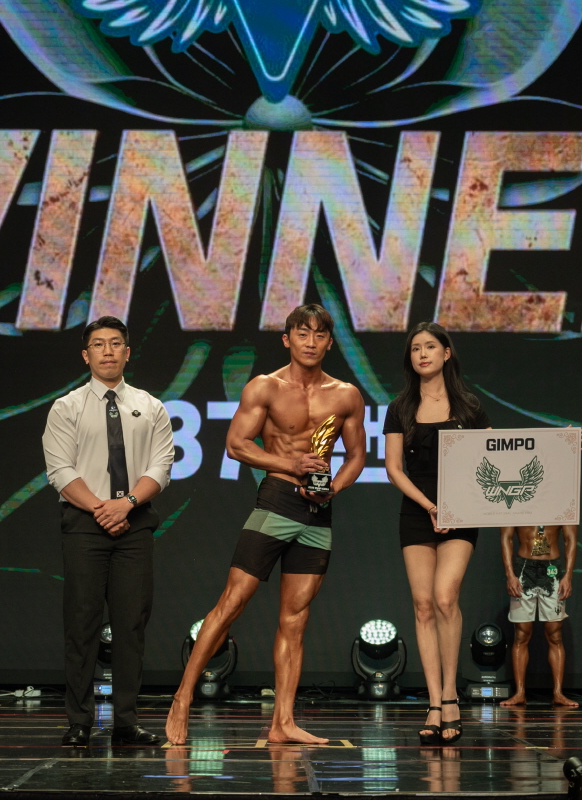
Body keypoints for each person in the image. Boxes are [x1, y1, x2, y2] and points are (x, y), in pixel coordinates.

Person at [166, 304, 366, 745]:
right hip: (276, 501)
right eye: (302, 334)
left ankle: (283, 723)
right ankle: (182, 698)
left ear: (330, 343)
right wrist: (291, 464)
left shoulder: (346, 395)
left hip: (318, 513)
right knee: (231, 603)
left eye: (319, 335)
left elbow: (356, 457)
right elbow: (236, 445)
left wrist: (333, 489)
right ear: (287, 339)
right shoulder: (265, 387)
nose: (311, 342)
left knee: (295, 619)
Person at [42, 316, 173, 744]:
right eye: (98, 344)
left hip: (134, 524)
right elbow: (60, 470)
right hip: (85, 524)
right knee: (81, 623)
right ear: (86, 355)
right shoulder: (66, 407)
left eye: (116, 343)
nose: (108, 351)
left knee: (131, 624)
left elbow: (161, 466)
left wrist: (126, 504)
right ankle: (79, 722)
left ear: (127, 352)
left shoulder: (151, 406)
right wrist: (103, 508)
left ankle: (126, 722)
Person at [383, 323, 491, 741]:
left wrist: (560, 451)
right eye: (415, 348)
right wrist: (430, 506)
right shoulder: (400, 407)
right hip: (418, 510)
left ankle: (450, 696)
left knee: (446, 597)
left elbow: (501, 454)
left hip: (461, 511)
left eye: (430, 346)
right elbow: (394, 469)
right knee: (423, 604)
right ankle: (433, 702)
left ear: (447, 353)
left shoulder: (469, 406)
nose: (423, 354)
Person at [499, 523, 578, 710]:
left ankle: (558, 693)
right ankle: (520, 693)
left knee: (555, 634)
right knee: (521, 633)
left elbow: (570, 540)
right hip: (523, 568)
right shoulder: (517, 506)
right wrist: (510, 574)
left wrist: (568, 576)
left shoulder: (561, 507)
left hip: (552, 568)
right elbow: (506, 538)